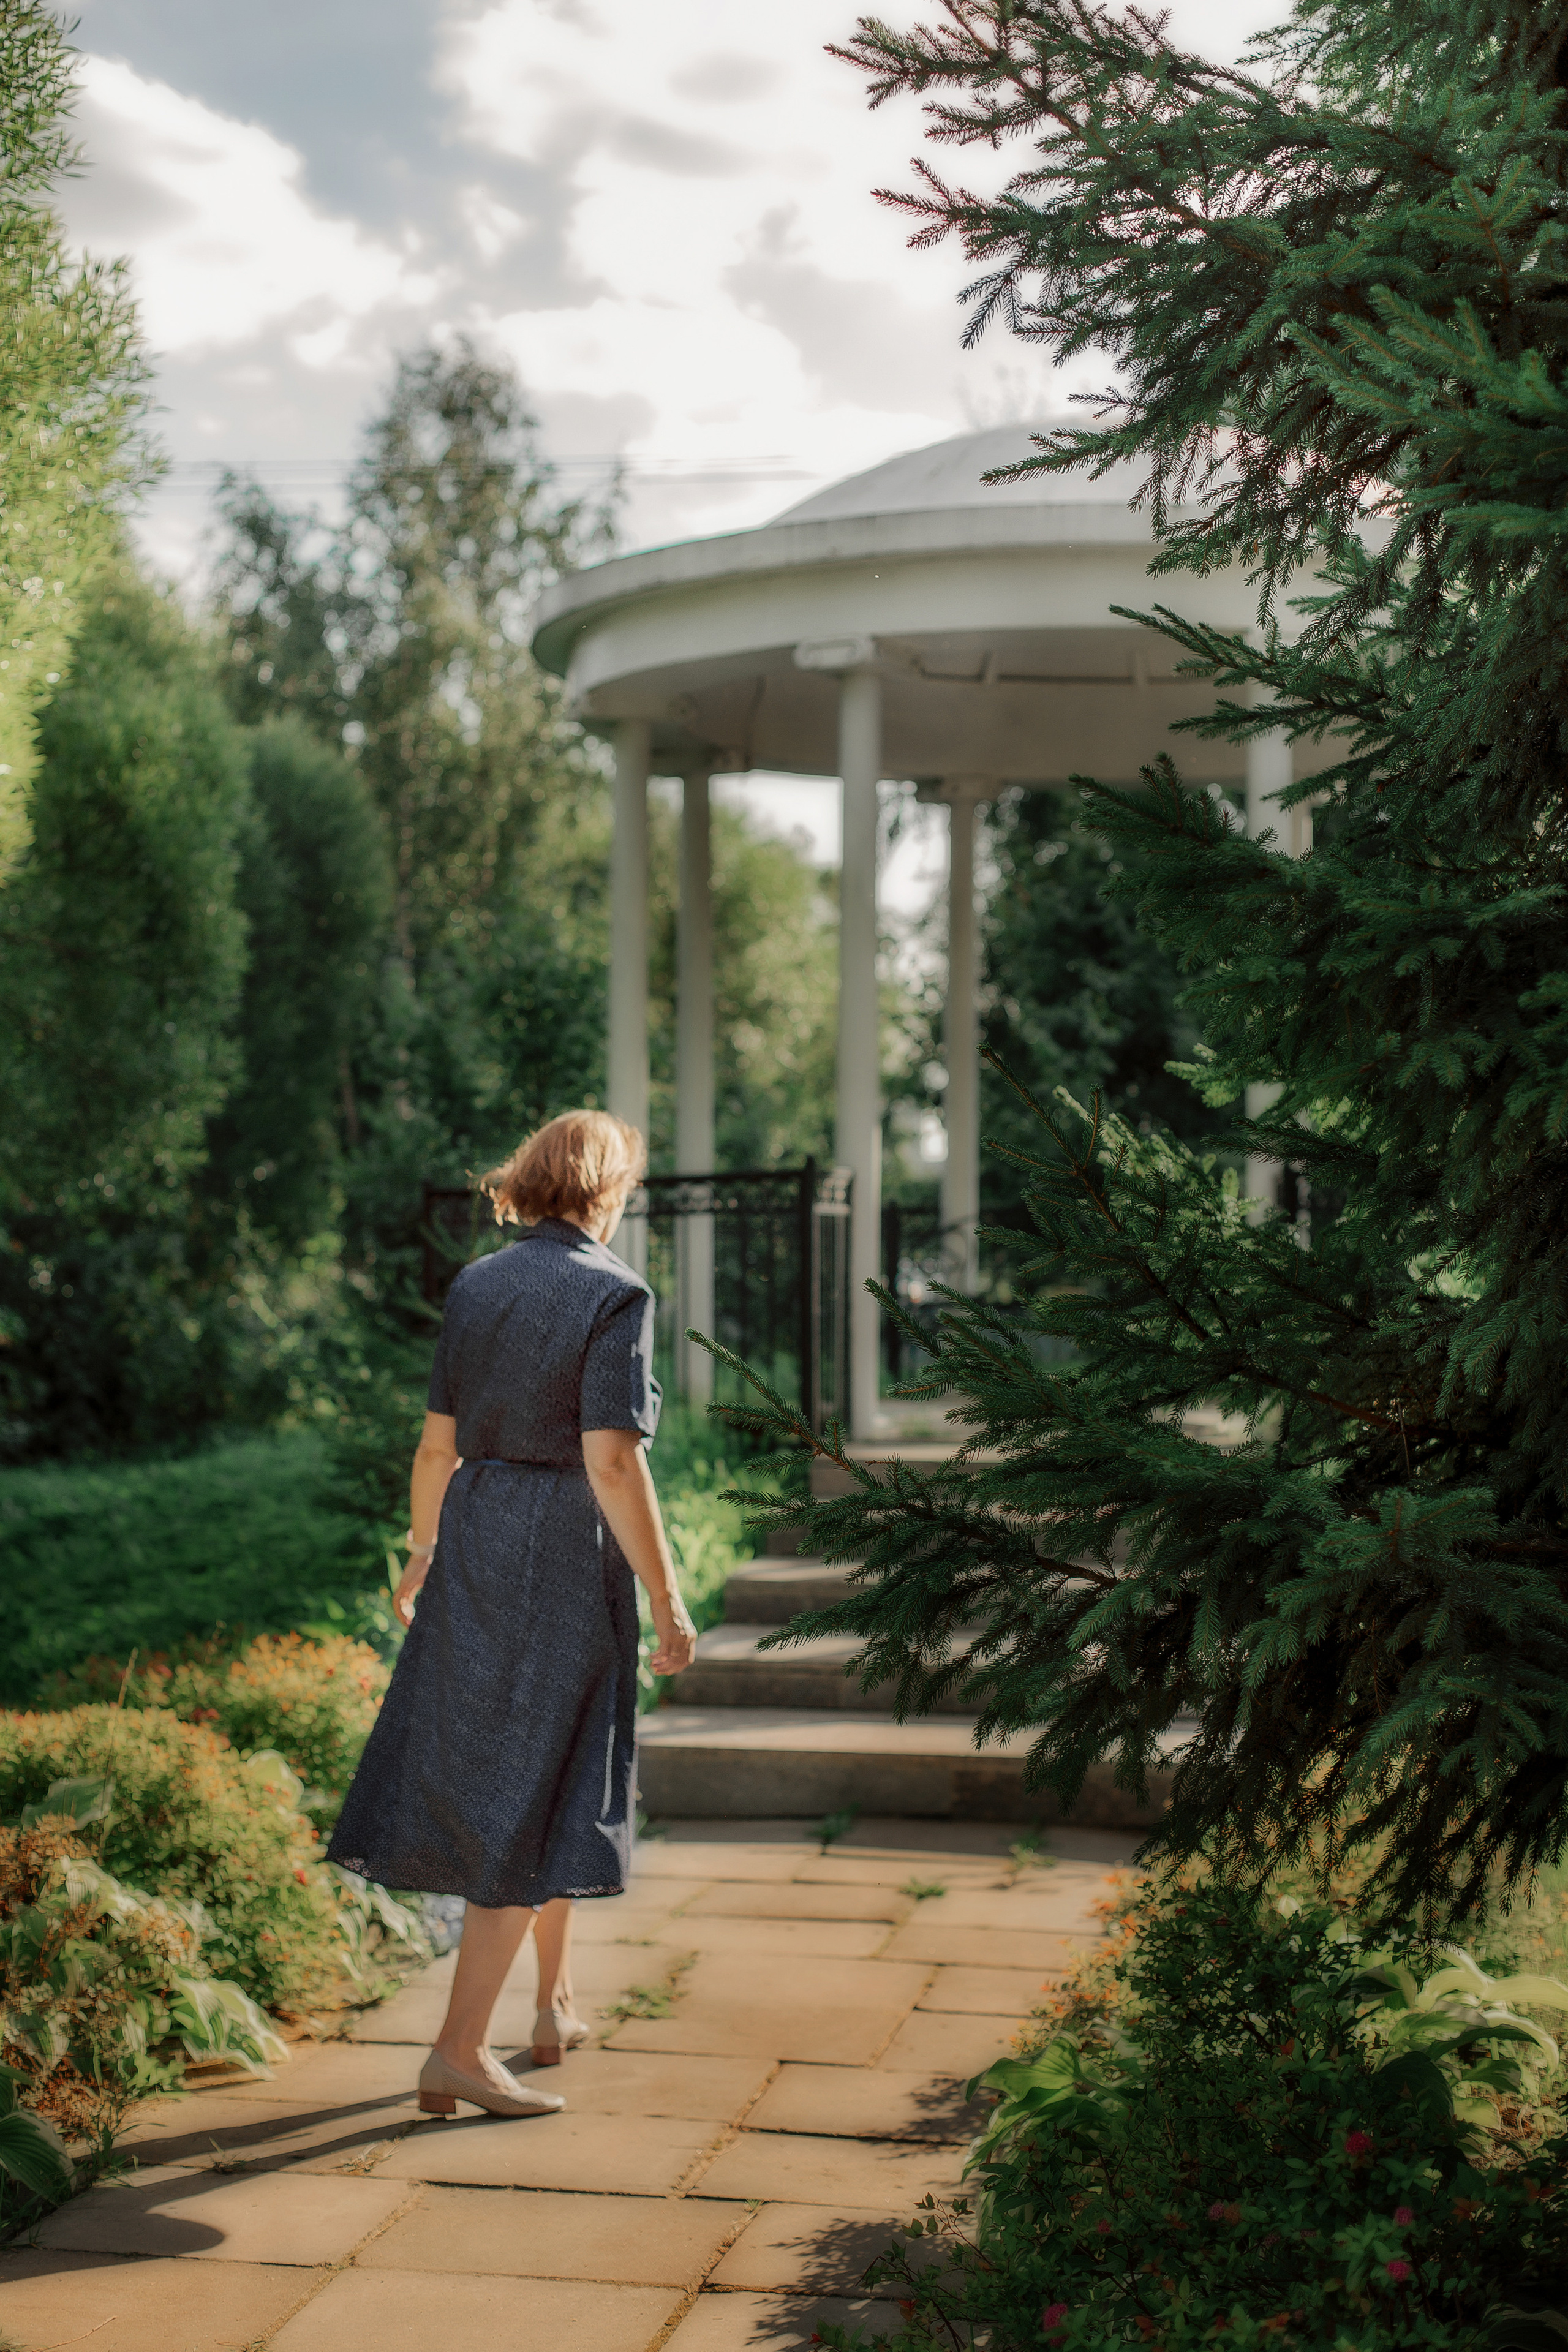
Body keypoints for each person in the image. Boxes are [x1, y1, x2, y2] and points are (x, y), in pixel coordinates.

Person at [328, 1109, 697, 2119]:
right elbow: (614, 1461)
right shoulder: (615, 1292)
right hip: (561, 1556)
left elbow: (435, 1447)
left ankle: (554, 2007)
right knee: (541, 1781)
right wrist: (667, 1594)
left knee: (544, 1765)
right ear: (607, 1188)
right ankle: (458, 2048)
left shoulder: (477, 1284)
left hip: (479, 1532)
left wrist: (422, 1550)